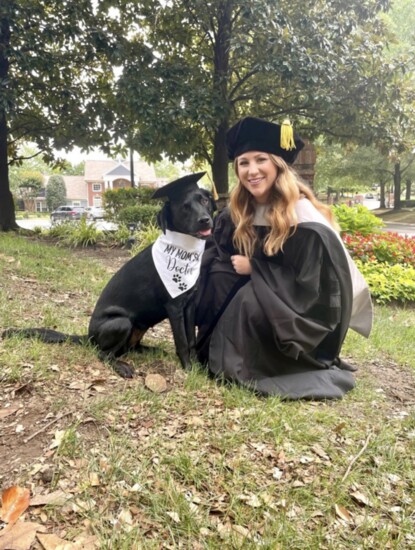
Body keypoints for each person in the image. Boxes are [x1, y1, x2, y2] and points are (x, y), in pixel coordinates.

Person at [195, 117, 373, 400]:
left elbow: (312, 286)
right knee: (217, 275)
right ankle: (209, 350)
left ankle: (246, 365)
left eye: (260, 160)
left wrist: (256, 268)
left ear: (277, 163)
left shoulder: (303, 216)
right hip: (268, 289)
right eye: (243, 162)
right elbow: (223, 248)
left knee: (249, 299)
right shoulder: (241, 209)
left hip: (296, 309)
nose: (252, 171)